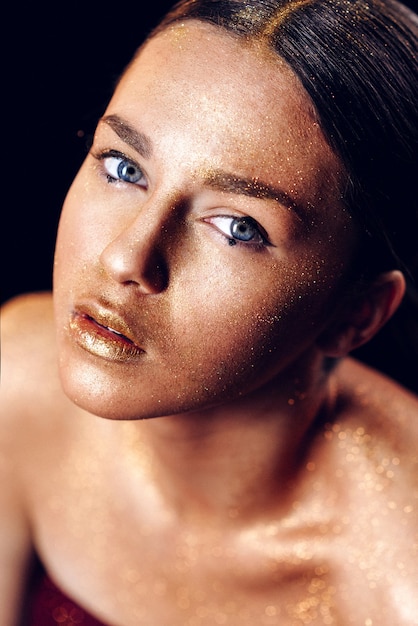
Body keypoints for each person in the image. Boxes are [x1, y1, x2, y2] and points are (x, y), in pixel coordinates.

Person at [1, 0, 417, 623]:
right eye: (123, 167)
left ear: (356, 313)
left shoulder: (397, 577)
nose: (127, 259)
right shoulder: (19, 381)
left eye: (237, 227)